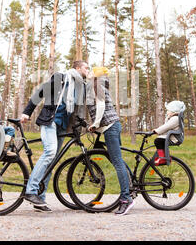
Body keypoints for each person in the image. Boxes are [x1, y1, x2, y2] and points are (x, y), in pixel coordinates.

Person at [20, 60, 89, 212]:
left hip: (62, 126)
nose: (88, 70)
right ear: (77, 68)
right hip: (50, 120)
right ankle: (31, 191)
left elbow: (76, 111)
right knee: (50, 152)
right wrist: (26, 112)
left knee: (52, 161)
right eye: (86, 67)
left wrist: (82, 126)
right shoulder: (61, 77)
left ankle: (40, 199)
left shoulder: (80, 86)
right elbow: (40, 93)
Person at [86, 67, 134, 216]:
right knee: (117, 160)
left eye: (90, 71)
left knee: (117, 162)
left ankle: (126, 199)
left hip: (110, 126)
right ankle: (132, 186)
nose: (88, 73)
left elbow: (100, 105)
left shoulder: (97, 84)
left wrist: (95, 123)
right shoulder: (99, 85)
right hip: (111, 126)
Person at [152, 100, 186, 165]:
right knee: (160, 141)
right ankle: (163, 157)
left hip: (175, 139)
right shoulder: (173, 118)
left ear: (174, 111)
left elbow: (166, 127)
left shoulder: (175, 119)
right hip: (172, 137)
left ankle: (163, 158)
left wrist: (157, 131)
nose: (167, 112)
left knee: (158, 141)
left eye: (168, 110)